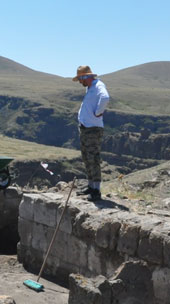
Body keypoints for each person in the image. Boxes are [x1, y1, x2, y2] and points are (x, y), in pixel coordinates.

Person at [74, 66, 110, 202]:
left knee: (93, 158)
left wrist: (98, 112)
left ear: (85, 77)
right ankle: (90, 186)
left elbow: (105, 98)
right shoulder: (90, 88)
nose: (79, 82)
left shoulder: (98, 86)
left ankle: (96, 191)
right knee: (86, 157)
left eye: (80, 78)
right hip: (85, 128)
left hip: (92, 129)